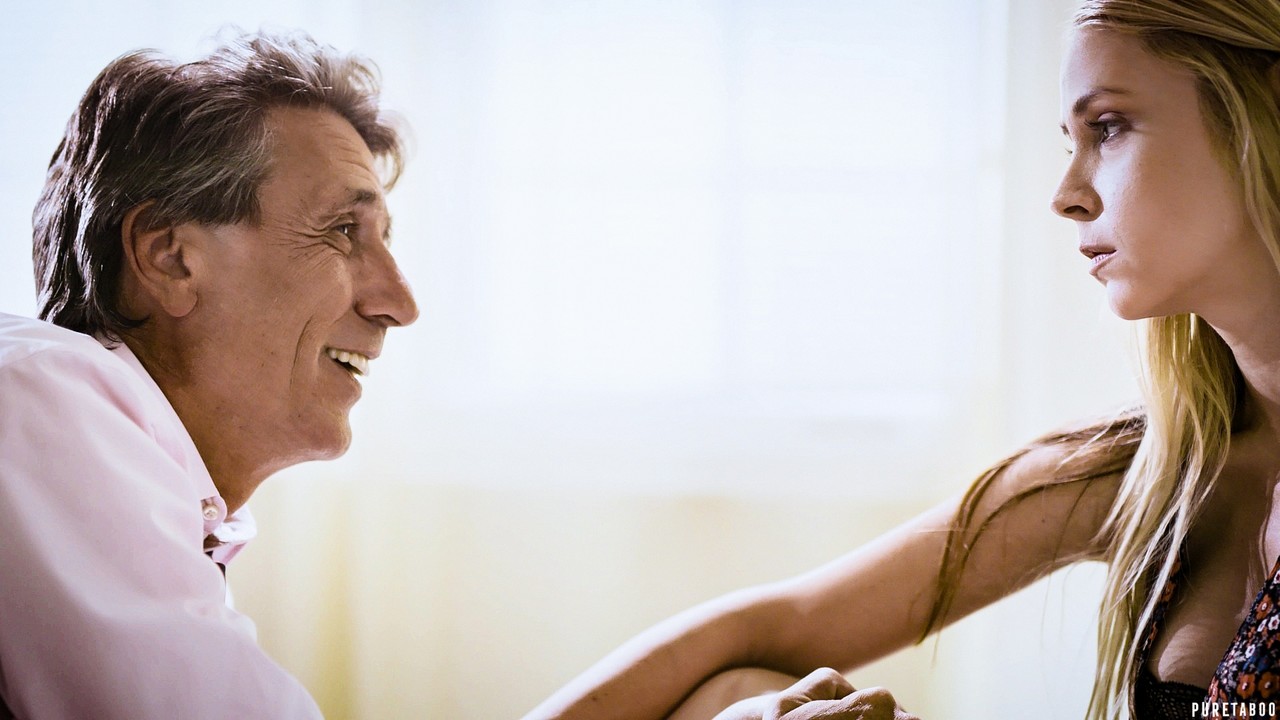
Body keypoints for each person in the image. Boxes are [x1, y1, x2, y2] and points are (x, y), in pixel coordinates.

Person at [524, 1, 1280, 718]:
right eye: (1070, 142)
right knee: (743, 693)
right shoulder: (1159, 470)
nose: (1066, 195)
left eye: (1108, 128)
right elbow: (769, 628)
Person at [0, 31, 417, 718]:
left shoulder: (144, 478)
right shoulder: (39, 394)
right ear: (170, 259)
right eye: (343, 230)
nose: (399, 304)